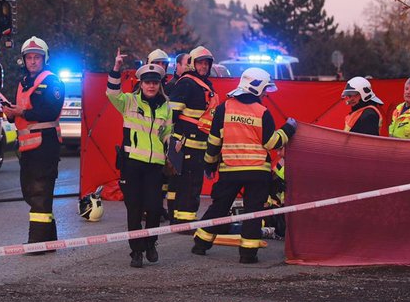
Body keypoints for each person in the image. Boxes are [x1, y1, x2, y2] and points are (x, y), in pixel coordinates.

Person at [191, 68, 297, 263]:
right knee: (253, 211)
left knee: (220, 207)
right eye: (265, 89)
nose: (266, 94)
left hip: (230, 170)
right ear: (256, 87)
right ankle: (248, 254)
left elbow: (214, 141)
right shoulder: (262, 112)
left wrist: (209, 164)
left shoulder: (224, 108)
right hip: (257, 172)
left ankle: (201, 243)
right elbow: (272, 143)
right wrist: (288, 129)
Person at [106, 49, 173, 268]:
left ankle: (151, 243)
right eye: (147, 82)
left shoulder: (166, 106)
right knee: (134, 209)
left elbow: (166, 134)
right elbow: (112, 93)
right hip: (132, 164)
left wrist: (174, 144)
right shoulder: (129, 102)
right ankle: (136, 252)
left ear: (160, 84)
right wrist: (116, 69)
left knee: (154, 208)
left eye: (155, 82)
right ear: (141, 83)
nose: (151, 85)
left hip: (155, 166)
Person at [2, 36, 65, 249]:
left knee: (40, 192)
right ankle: (49, 239)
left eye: (37, 57)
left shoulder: (52, 81)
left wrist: (22, 112)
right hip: (27, 147)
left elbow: (50, 111)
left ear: (44, 58)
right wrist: (11, 113)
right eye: (29, 57)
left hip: (45, 145)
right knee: (31, 192)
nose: (32, 61)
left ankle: (36, 242)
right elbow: (22, 112)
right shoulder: (23, 83)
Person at [167, 45, 218, 224]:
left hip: (199, 145)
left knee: (191, 183)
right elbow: (171, 114)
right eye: (200, 63)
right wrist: (171, 139)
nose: (204, 67)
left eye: (206, 64)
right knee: (189, 184)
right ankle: (183, 221)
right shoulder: (187, 82)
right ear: (192, 65)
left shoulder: (204, 84)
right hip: (187, 144)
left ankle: (180, 218)